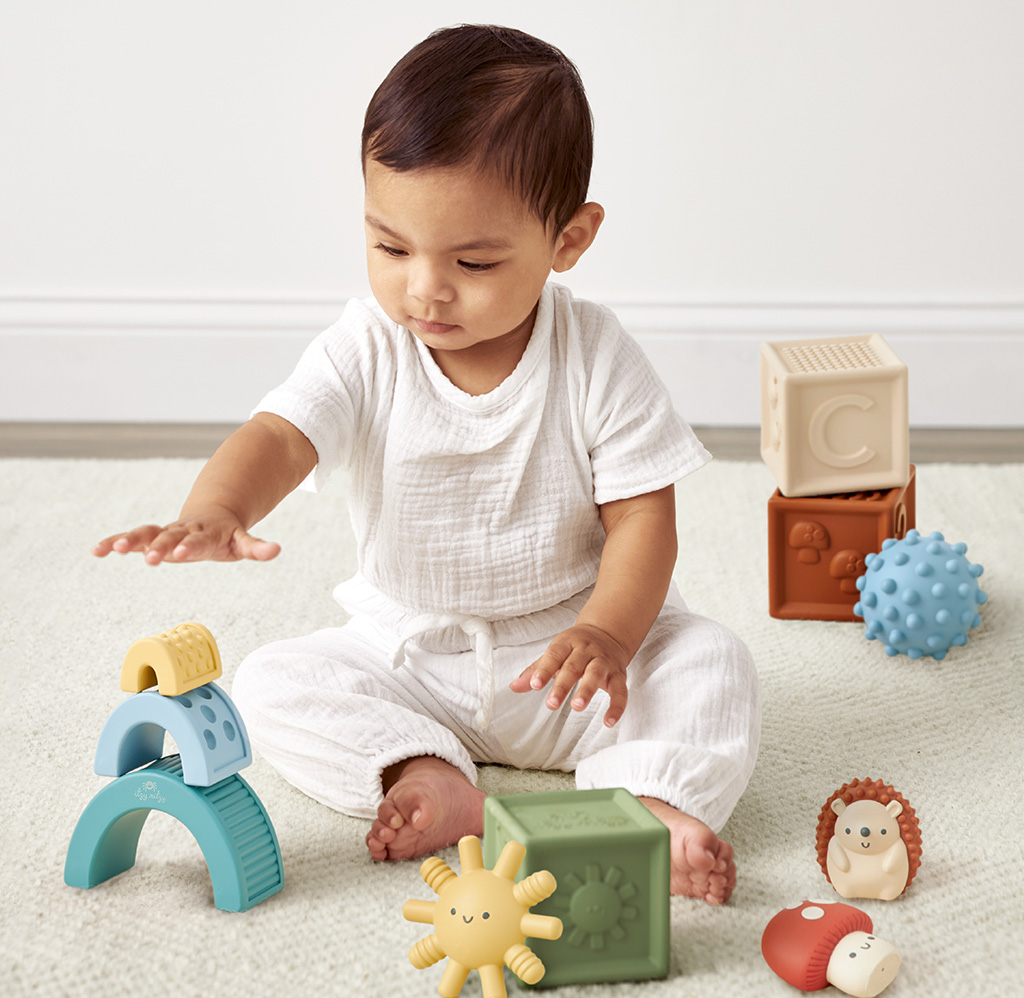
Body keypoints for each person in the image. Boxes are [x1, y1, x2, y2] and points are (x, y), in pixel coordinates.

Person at [93, 24, 759, 904]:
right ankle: (428, 775)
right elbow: (285, 433)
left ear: (569, 239)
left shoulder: (595, 352)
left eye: (473, 261)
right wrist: (219, 506)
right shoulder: (370, 344)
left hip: (573, 666)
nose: (424, 289)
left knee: (711, 661)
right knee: (268, 683)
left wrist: (608, 635)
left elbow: (642, 517)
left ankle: (645, 803)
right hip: (413, 660)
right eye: (391, 248)